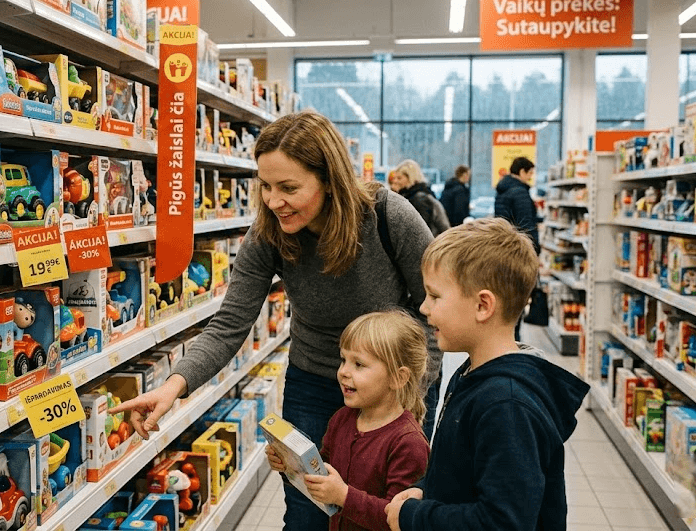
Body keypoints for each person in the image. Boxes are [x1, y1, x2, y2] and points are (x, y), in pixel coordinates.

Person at [110, 111, 438, 531]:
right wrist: (173, 386)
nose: (272, 200)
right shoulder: (270, 233)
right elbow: (230, 322)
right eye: (265, 186)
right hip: (315, 382)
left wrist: (415, 393)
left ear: (329, 180)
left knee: (381, 512)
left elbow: (434, 307)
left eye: (289, 188)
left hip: (392, 389)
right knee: (306, 515)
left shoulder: (388, 217)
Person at [384, 219, 589, 531]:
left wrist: (415, 517)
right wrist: (426, 489)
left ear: (482, 305)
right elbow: (464, 471)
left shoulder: (506, 406)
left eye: (435, 296)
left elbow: (502, 522)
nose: (424, 307)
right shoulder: (471, 374)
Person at [267, 310, 430, 531]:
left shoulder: (408, 444)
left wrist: (344, 496)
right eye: (343, 360)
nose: (343, 371)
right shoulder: (342, 419)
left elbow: (399, 520)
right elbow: (321, 472)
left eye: (359, 364)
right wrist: (290, 466)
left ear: (398, 377)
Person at [390, 160, 450, 237]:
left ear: (410, 178)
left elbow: (421, 230)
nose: (395, 181)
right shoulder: (418, 194)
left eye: (399, 178)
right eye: (395, 178)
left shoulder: (419, 199)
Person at [494, 157, 540, 253]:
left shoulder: (503, 189)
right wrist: (535, 248)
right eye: (530, 173)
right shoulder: (520, 192)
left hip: (504, 242)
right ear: (522, 172)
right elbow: (525, 222)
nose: (530, 177)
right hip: (518, 247)